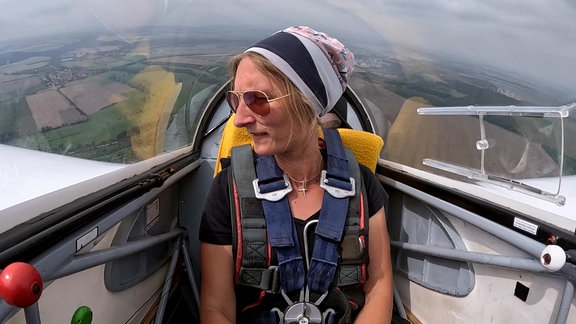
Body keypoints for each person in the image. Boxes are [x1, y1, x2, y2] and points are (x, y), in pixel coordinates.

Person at [199, 26, 393, 323]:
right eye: (235, 100)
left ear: (307, 102)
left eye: (257, 99)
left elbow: (379, 285)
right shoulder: (228, 189)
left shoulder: (362, 184)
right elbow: (216, 308)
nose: (239, 120)